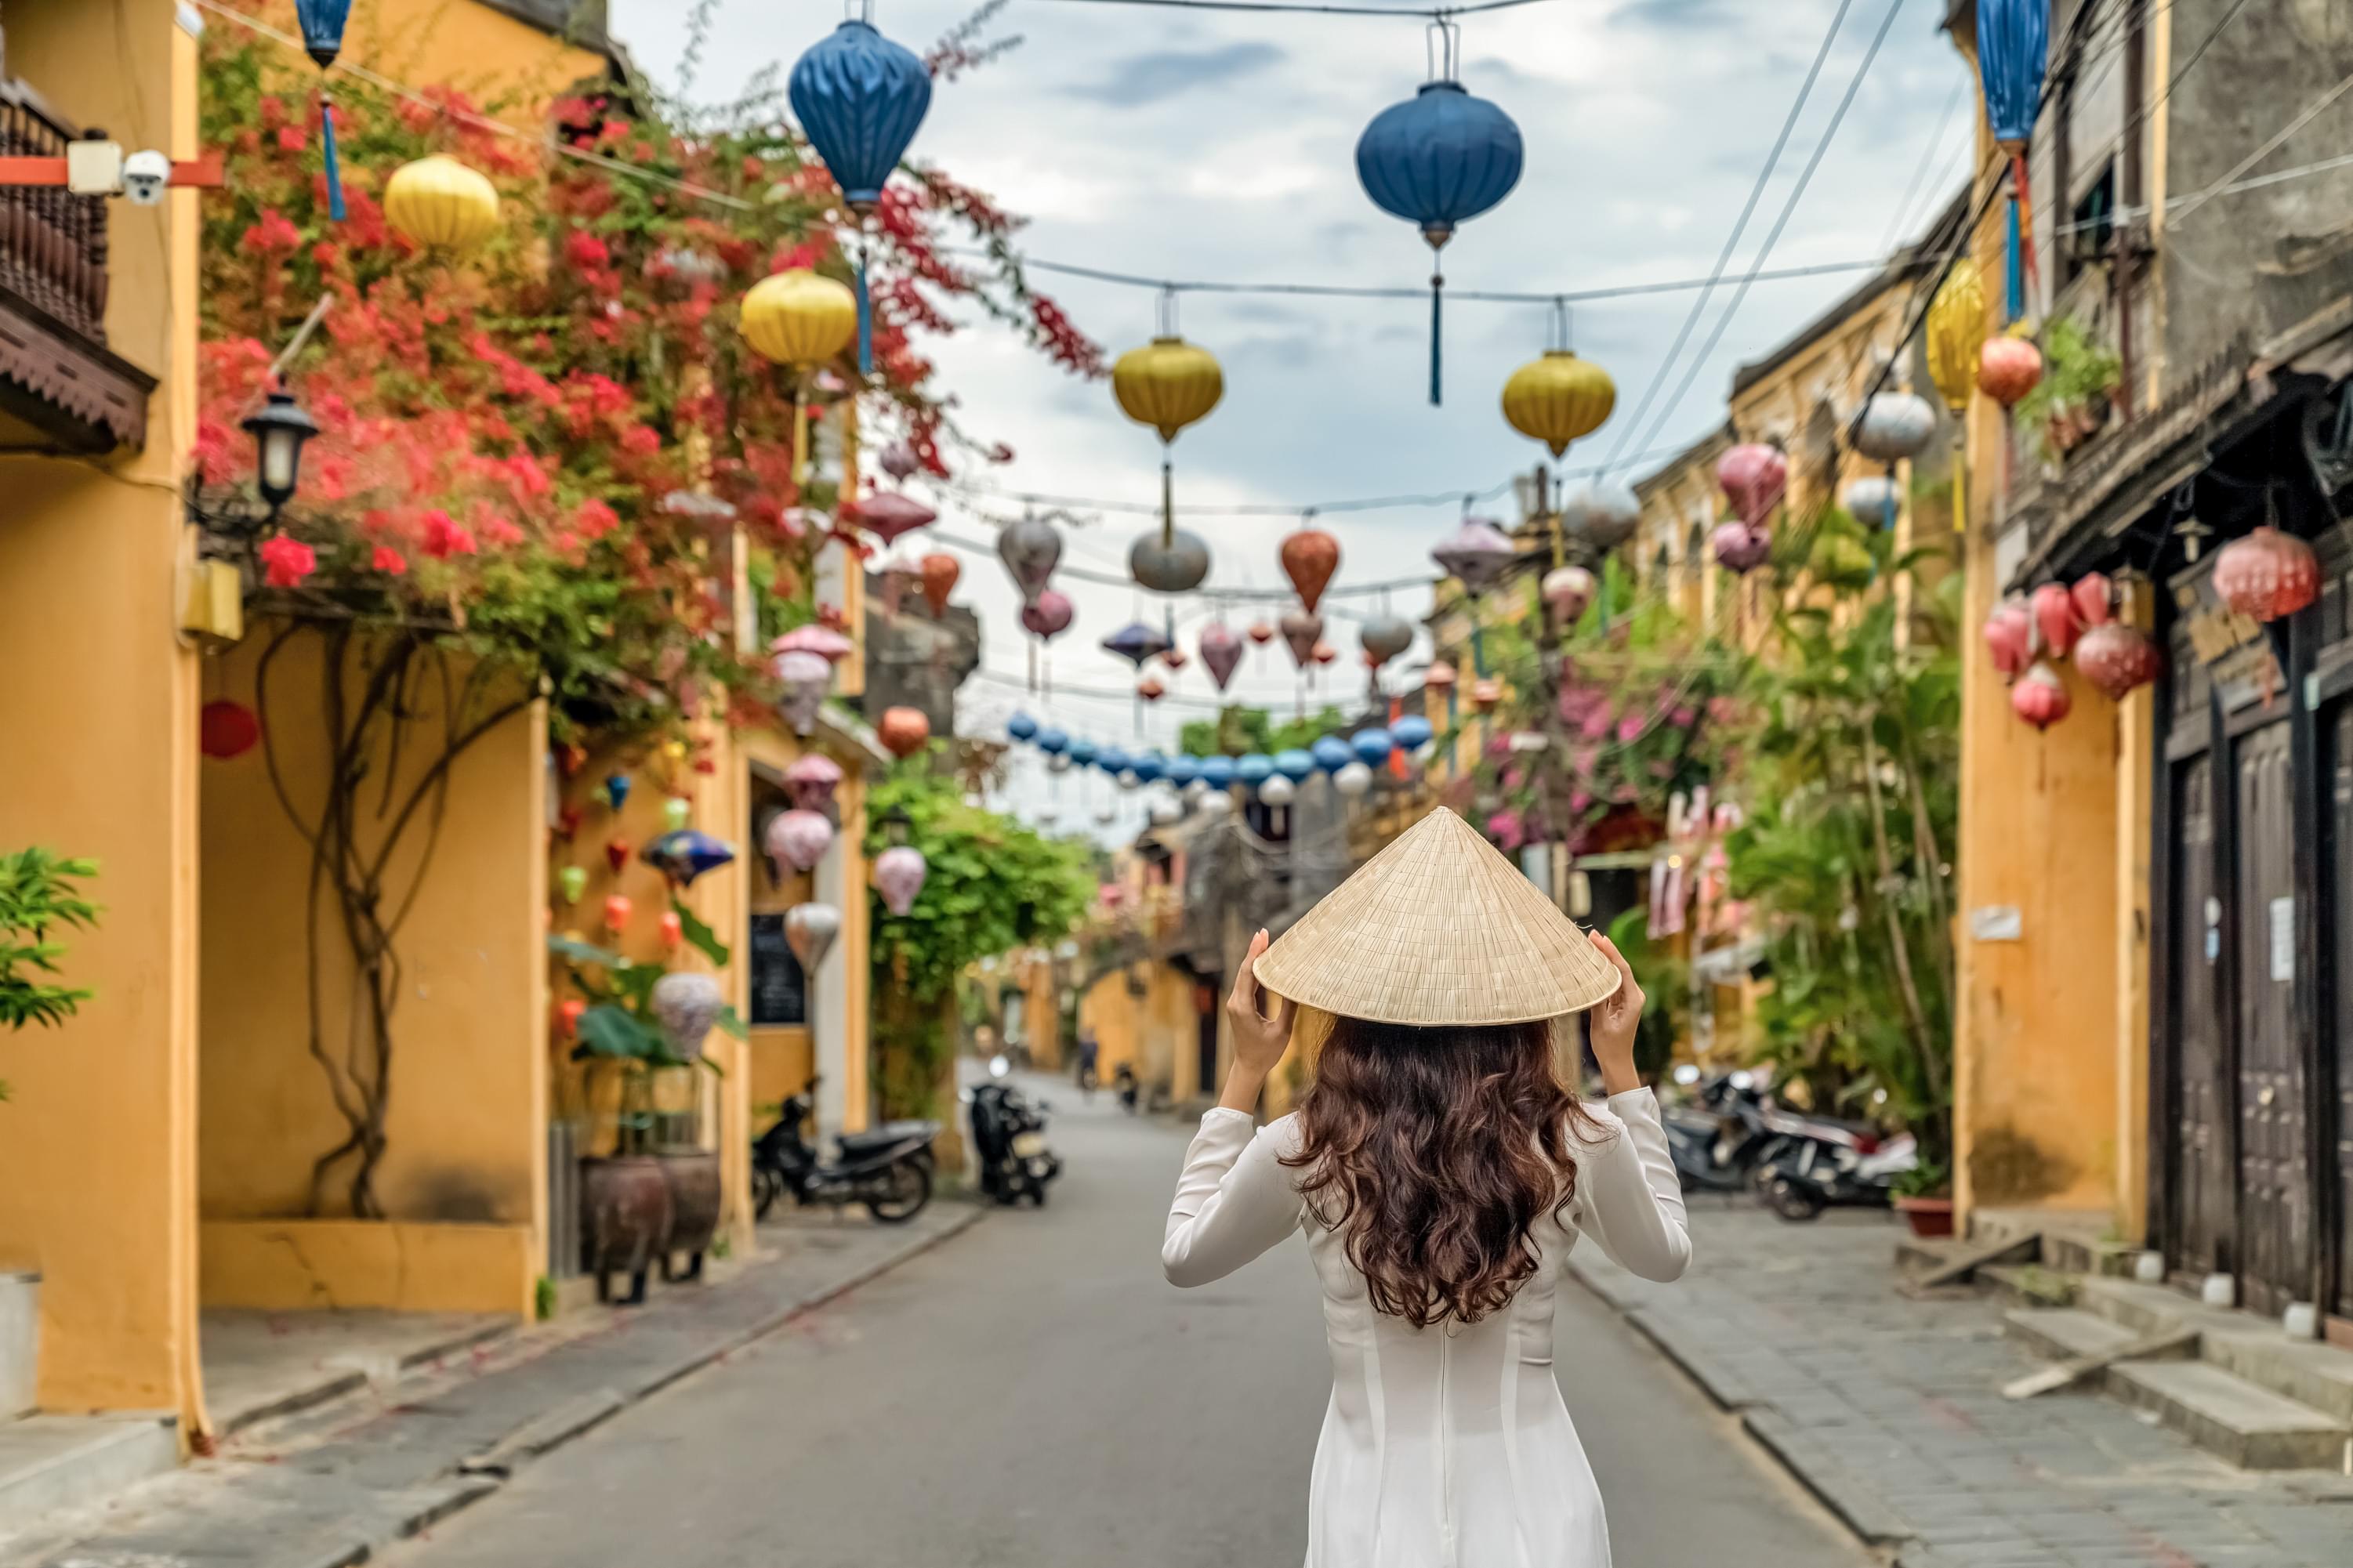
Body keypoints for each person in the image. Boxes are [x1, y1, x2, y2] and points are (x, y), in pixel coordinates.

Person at [1163, 807, 1690, 1568]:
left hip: (1366, 1515)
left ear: (1353, 1009)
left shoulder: (1309, 1147)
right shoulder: (1576, 1140)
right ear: (1521, 1006)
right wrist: (1622, 1074)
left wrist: (1244, 1072)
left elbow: (1185, 1256)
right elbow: (1664, 1255)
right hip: (1537, 1512)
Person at [1075, 1027, 1100, 1098]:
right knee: (1084, 1073)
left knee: (1092, 1073)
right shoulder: (1085, 1042)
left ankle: (1092, 1085)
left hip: (1090, 1060)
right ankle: (1084, 1086)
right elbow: (1081, 1051)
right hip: (1085, 1060)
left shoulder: (1093, 1042)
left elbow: (1096, 1052)